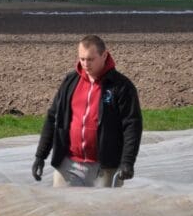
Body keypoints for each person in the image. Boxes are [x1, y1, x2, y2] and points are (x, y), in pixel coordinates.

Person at [33, 34, 143, 187]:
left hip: (105, 168)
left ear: (104, 55)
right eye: (82, 59)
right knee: (64, 210)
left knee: (102, 211)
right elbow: (53, 118)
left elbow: (132, 126)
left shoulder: (121, 86)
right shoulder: (70, 82)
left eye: (90, 59)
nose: (85, 64)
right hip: (69, 165)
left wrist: (127, 162)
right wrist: (40, 156)